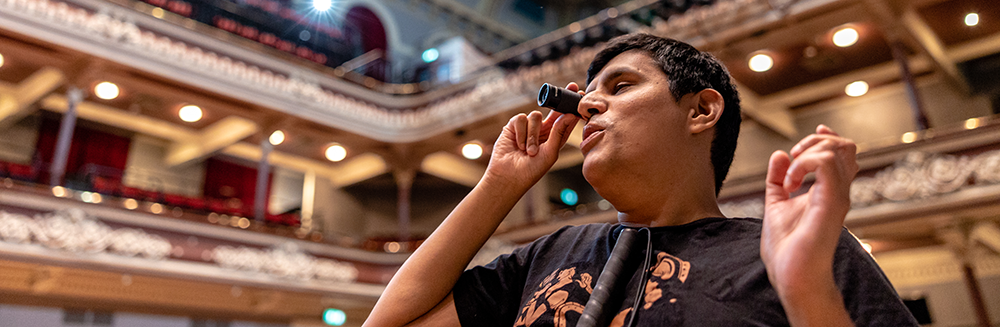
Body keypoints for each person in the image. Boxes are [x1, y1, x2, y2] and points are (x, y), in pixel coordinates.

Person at [363, 34, 918, 327]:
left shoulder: (795, 255)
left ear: (701, 110)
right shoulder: (551, 253)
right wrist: (500, 184)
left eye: (621, 85)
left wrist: (804, 290)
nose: (589, 105)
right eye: (586, 94)